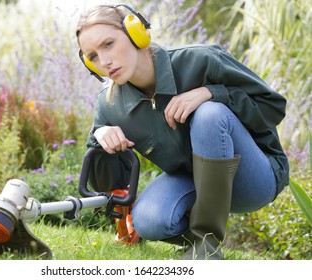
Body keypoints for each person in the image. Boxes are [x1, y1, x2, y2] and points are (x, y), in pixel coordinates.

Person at [75, 4, 289, 260]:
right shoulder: (109, 105)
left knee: (210, 114)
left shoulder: (201, 60)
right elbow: (109, 186)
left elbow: (273, 107)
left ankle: (206, 247)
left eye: (108, 44)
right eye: (93, 56)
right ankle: (201, 240)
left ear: (135, 32)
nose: (105, 61)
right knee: (148, 220)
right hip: (192, 181)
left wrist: (212, 93)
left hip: (252, 179)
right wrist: (101, 141)